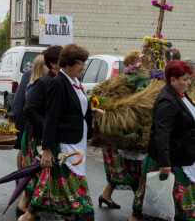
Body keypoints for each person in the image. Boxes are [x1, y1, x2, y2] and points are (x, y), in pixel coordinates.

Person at [20, 43, 103, 221]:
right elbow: (51, 119)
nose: (83, 67)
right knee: (82, 204)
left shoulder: (75, 82)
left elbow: (74, 107)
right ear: (67, 63)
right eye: (80, 63)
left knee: (48, 188)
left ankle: (28, 215)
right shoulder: (57, 83)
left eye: (84, 63)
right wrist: (47, 150)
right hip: (65, 146)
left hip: (76, 142)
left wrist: (89, 113)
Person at [130, 60, 195, 221]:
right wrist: (165, 163)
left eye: (189, 78)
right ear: (173, 80)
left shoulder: (180, 94)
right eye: (185, 79)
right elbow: (162, 133)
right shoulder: (168, 101)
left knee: (166, 202)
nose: (189, 82)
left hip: (182, 154)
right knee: (165, 202)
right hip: (171, 159)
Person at [17, 45, 62, 216]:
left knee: (43, 172)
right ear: (53, 63)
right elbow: (28, 109)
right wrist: (48, 125)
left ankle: (29, 208)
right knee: (35, 171)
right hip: (36, 135)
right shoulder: (43, 82)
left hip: (48, 135)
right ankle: (23, 206)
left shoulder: (59, 81)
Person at [98, 50, 143, 210]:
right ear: (132, 65)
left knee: (126, 170)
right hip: (117, 135)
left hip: (126, 136)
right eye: (140, 62)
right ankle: (139, 206)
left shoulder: (140, 82)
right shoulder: (123, 83)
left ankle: (106, 195)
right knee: (128, 170)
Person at [9, 67, 32, 169]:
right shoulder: (29, 74)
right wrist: (13, 116)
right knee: (24, 149)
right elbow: (19, 97)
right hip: (26, 119)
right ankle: (20, 176)